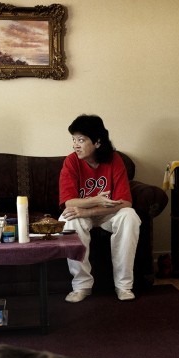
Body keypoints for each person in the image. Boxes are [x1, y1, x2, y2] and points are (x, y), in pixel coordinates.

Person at [58, 114, 141, 302]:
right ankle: (81, 286)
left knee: (130, 216)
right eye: (73, 140)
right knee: (69, 218)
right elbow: (69, 202)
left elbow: (125, 202)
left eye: (81, 140)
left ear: (97, 142)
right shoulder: (71, 161)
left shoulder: (114, 160)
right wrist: (94, 200)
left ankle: (123, 285)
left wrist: (88, 210)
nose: (75, 145)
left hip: (107, 214)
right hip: (86, 213)